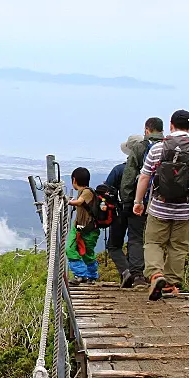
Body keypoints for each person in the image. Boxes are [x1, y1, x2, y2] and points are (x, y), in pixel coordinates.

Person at [133, 109, 189, 301]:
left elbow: (145, 176)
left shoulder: (158, 148)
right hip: (185, 209)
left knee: (153, 243)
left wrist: (138, 201)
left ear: (170, 125)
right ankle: (170, 285)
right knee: (178, 246)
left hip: (159, 206)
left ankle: (155, 274)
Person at [119, 117, 165, 287]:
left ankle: (138, 276)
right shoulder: (169, 146)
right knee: (159, 241)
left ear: (147, 130)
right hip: (165, 204)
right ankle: (158, 274)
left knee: (136, 238)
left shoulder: (139, 148)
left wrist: (128, 201)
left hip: (142, 202)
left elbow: (129, 176)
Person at [104, 135, 142, 285]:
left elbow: (106, 190)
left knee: (114, 245)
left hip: (119, 211)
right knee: (136, 241)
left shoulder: (119, 169)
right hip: (140, 210)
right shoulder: (147, 171)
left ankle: (126, 272)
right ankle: (138, 275)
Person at [66, 168, 100, 285]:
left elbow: (79, 202)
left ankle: (90, 276)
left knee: (87, 254)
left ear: (74, 180)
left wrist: (67, 201)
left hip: (89, 230)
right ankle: (80, 274)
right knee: (70, 250)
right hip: (78, 228)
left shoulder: (87, 192)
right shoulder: (83, 192)